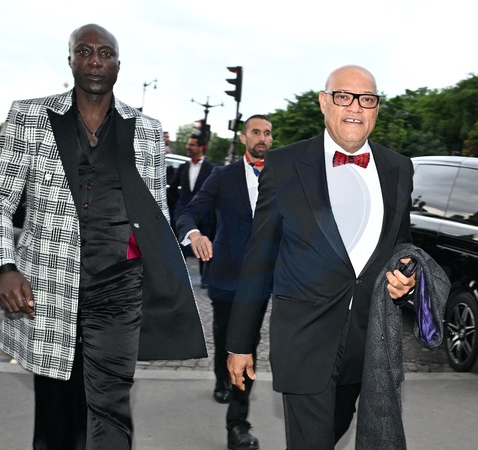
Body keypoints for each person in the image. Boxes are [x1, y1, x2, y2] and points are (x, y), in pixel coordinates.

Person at [0, 24, 206, 449]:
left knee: (111, 408)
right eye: (84, 51)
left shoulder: (146, 129)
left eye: (105, 53)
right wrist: (2, 267)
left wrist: (160, 283)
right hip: (47, 284)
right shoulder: (30, 116)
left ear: (118, 64)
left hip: (120, 285)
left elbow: (155, 212)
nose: (95, 61)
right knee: (56, 414)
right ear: (70, 60)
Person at [226, 65, 416, 450]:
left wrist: (407, 279)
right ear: (324, 102)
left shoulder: (398, 167)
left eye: (367, 99)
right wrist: (240, 343)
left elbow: (402, 244)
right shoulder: (284, 164)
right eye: (344, 96)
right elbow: (259, 258)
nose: (355, 107)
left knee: (334, 429)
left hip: (367, 339)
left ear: (376, 108)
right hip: (304, 337)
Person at [176, 115, 273, 450]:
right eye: (256, 132)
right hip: (225, 272)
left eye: (268, 133)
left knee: (247, 339)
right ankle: (222, 376)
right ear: (244, 137)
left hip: (260, 277)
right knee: (224, 333)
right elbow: (189, 212)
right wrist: (195, 234)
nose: (262, 137)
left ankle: (238, 423)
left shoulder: (282, 176)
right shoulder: (222, 176)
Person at [167, 133, 216, 274]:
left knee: (203, 250)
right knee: (179, 250)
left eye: (192, 144)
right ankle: (178, 277)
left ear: (202, 147)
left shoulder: (212, 169)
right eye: (188, 144)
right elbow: (172, 190)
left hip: (204, 217)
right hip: (182, 216)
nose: (188, 147)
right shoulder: (183, 167)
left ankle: (204, 277)